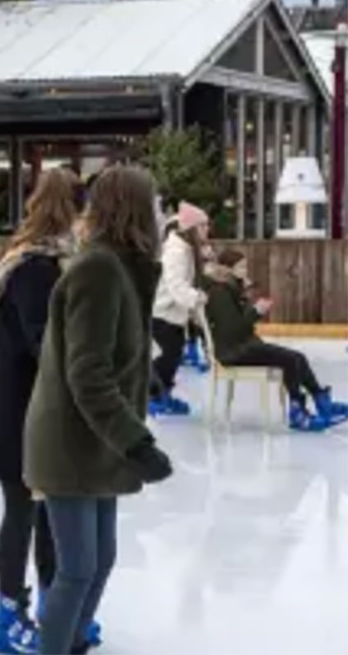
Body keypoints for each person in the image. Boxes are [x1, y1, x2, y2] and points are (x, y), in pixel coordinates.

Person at [24, 165, 173, 655]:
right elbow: (85, 372)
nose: (161, 215)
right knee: (77, 569)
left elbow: (104, 349)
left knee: (101, 559)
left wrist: (141, 373)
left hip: (96, 440)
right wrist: (137, 441)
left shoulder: (119, 268)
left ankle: (70, 644)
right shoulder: (99, 269)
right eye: (155, 205)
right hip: (71, 441)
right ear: (132, 209)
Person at [0, 168, 86, 655]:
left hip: (39, 412)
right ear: (72, 212)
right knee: (22, 513)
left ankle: (49, 608)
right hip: (20, 415)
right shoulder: (36, 267)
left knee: (45, 516)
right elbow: (46, 342)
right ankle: (8, 614)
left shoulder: (54, 262)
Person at [203, 249, 348, 431]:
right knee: (291, 359)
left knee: (297, 358)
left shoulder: (231, 289)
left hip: (243, 346)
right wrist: (256, 311)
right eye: (241, 267)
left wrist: (248, 301)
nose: (246, 271)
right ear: (227, 269)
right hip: (233, 352)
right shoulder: (220, 293)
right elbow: (233, 329)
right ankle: (299, 412)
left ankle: (319, 401)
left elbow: (239, 324)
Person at [148, 202, 210, 417]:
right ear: (191, 228)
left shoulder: (186, 250)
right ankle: (153, 396)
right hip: (163, 313)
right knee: (167, 356)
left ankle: (163, 392)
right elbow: (175, 284)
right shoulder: (176, 251)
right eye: (203, 226)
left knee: (173, 355)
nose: (207, 230)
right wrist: (195, 298)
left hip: (174, 314)